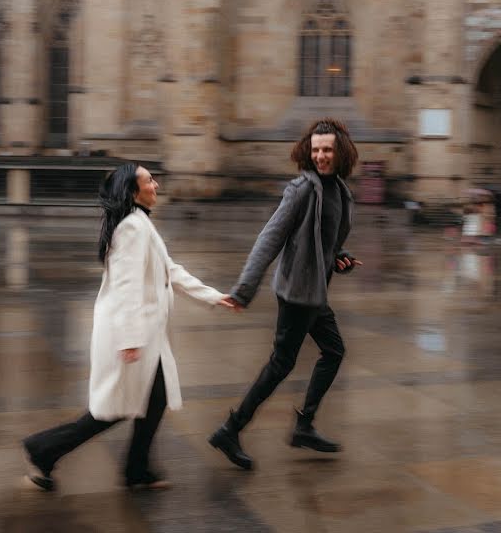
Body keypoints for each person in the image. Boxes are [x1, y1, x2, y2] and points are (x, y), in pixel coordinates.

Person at [22, 163, 238, 491]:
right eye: (150, 180)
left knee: (152, 400)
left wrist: (213, 296)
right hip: (133, 335)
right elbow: (127, 286)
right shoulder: (132, 228)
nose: (156, 185)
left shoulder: (139, 224)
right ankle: (43, 449)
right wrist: (130, 339)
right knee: (111, 410)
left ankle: (136, 468)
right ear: (134, 192)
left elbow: (171, 271)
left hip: (147, 335)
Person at [208, 118, 362, 470]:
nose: (321, 156)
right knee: (282, 363)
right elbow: (269, 238)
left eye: (327, 150)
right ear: (308, 152)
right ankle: (231, 429)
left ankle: (303, 425)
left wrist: (340, 258)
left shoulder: (338, 189)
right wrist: (244, 289)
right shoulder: (302, 189)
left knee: (333, 351)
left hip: (315, 291)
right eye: (316, 150)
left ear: (341, 152)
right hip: (296, 293)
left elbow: (324, 240)